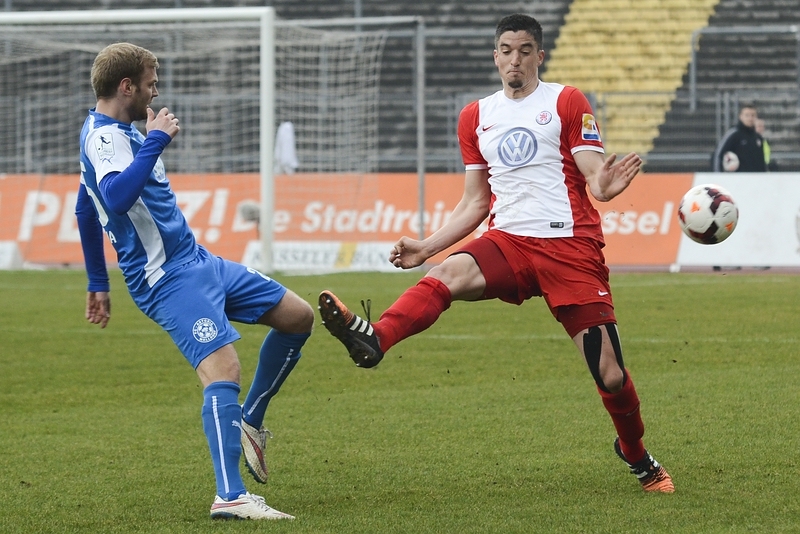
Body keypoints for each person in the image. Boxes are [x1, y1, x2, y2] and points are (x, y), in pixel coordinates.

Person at [318, 13, 673, 493]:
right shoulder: (476, 116)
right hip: (508, 242)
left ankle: (635, 453)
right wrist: (426, 247)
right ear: (495, 56)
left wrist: (604, 186)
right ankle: (375, 337)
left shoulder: (566, 101)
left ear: (539, 56)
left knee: (610, 375)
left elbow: (594, 174)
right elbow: (475, 203)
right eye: (506, 51)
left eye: (525, 51)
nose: (515, 60)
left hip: (570, 248)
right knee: (448, 273)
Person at [76, 43, 314, 520]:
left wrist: (97, 281)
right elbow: (114, 198)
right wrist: (156, 141)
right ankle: (230, 496)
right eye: (150, 82)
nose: (156, 91)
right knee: (223, 370)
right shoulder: (105, 139)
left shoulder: (119, 132)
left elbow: (85, 206)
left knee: (297, 317)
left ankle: (249, 420)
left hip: (198, 260)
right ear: (127, 86)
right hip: (165, 278)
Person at [712, 104, 767, 172]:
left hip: (756, 177)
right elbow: (718, 155)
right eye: (747, 115)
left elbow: (761, 161)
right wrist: (718, 175)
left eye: (753, 115)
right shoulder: (734, 134)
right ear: (740, 116)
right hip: (738, 177)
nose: (750, 118)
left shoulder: (758, 137)